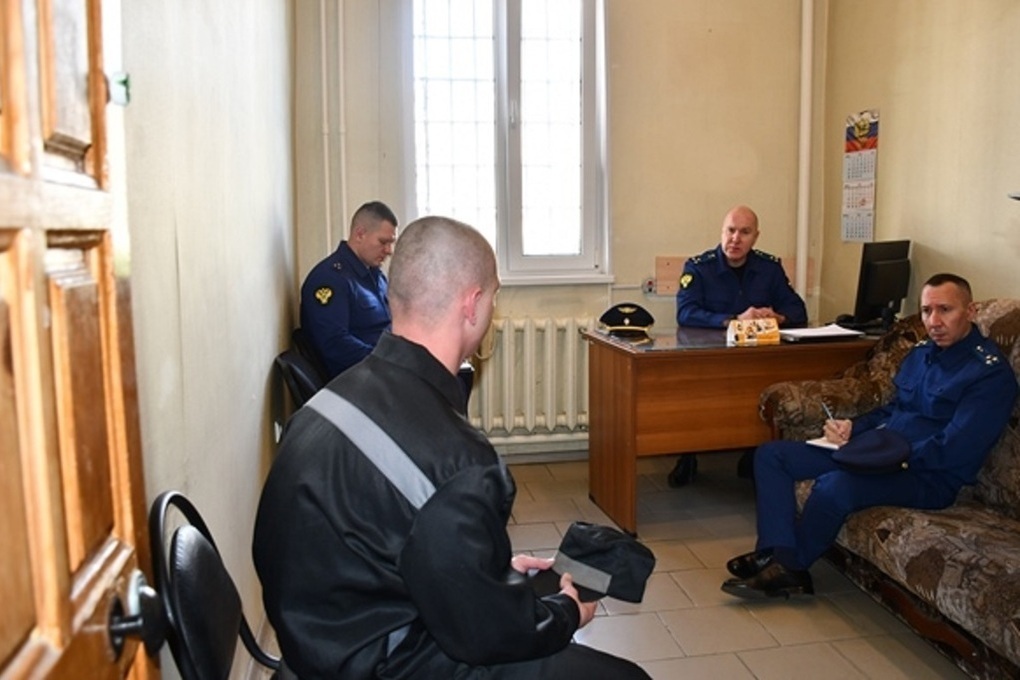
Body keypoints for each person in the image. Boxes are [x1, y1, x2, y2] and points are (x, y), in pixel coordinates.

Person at [254, 216, 651, 680]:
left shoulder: (323, 405)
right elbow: (488, 635)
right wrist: (566, 611)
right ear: (473, 304)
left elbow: (380, 536)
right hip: (386, 665)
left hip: (319, 647)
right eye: (494, 297)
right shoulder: (460, 464)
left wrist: (489, 569)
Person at [721, 273, 1017, 599]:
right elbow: (893, 411)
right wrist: (854, 428)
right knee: (772, 456)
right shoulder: (921, 353)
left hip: (926, 475)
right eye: (926, 311)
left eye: (945, 310)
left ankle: (791, 568)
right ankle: (773, 552)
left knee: (834, 485)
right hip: (880, 451)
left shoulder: (988, 375)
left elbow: (954, 449)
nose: (934, 322)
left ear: (970, 311)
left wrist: (881, 457)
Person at [669, 205, 809, 487]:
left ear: (755, 237)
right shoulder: (699, 268)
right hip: (710, 359)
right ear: (722, 232)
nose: (735, 239)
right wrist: (733, 320)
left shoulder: (769, 268)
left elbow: (798, 310)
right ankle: (688, 453)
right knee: (699, 399)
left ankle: (754, 453)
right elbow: (685, 313)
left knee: (769, 388)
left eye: (744, 232)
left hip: (757, 360)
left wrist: (778, 317)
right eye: (731, 231)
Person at [299, 200, 399, 379]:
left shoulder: (375, 276)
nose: (389, 250)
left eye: (391, 243)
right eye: (383, 242)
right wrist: (386, 362)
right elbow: (335, 344)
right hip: (359, 380)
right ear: (360, 234)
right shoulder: (329, 279)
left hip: (383, 372)